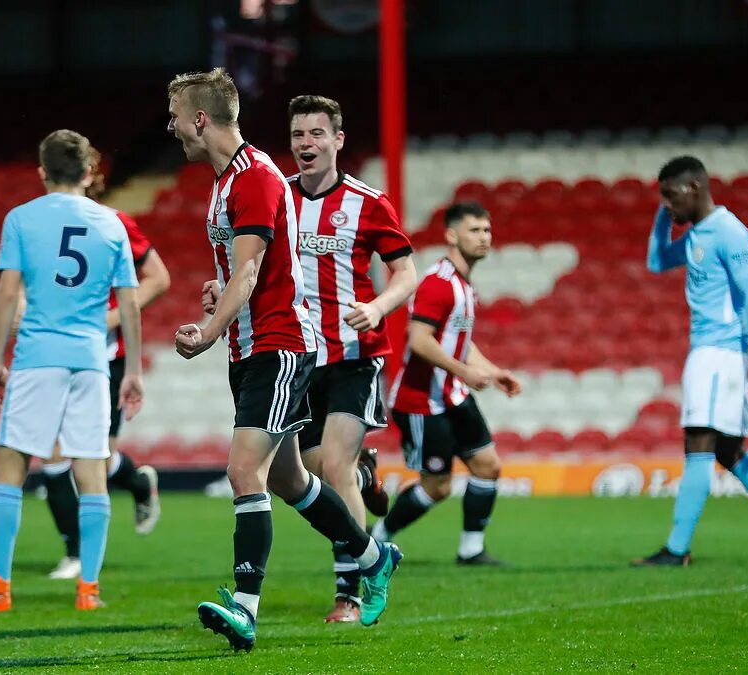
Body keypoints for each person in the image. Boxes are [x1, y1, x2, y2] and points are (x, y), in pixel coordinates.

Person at [168, 68, 401, 651]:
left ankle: (245, 608)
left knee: (244, 472)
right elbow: (239, 270)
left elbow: (249, 272)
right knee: (288, 476)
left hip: (278, 343)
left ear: (201, 118)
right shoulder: (227, 182)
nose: (170, 127)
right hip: (252, 346)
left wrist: (208, 329)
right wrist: (216, 297)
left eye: (175, 115)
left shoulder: (253, 178)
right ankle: (374, 556)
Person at [0, 129, 144, 612]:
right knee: (92, 471)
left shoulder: (21, 219)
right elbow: (129, 303)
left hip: (37, 357)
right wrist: (134, 370)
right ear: (88, 172)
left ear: (41, 172)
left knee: (11, 468)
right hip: (91, 361)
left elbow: (7, 294)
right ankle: (89, 591)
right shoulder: (114, 223)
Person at [634, 155, 748, 566]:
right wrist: (663, 213)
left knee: (699, 442)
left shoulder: (730, 231)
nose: (667, 204)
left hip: (721, 353)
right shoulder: (700, 232)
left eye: (672, 196)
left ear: (695, 188)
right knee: (728, 451)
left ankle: (677, 549)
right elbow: (655, 261)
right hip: (708, 351)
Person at [285, 95, 417, 623]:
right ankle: (363, 479)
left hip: (355, 355)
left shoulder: (368, 202)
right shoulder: (278, 199)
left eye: (317, 134)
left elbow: (406, 272)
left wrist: (378, 306)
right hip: (297, 356)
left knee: (332, 466)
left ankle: (351, 591)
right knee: (309, 473)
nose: (306, 144)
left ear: (337, 140)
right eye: (298, 135)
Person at [36, 148, 170, 581]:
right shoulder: (38, 224)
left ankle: (135, 482)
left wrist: (112, 317)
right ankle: (74, 552)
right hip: (55, 354)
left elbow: (159, 277)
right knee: (54, 454)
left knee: (95, 455)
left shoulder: (113, 223)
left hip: (103, 357)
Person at [375, 201, 521, 565]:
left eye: (487, 230)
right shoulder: (439, 284)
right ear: (452, 235)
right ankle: (377, 539)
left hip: (452, 396)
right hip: (422, 401)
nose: (484, 238)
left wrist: (491, 369)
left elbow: (459, 340)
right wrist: (464, 372)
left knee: (488, 466)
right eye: (475, 230)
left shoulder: (463, 284)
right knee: (437, 488)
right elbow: (419, 340)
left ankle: (471, 550)